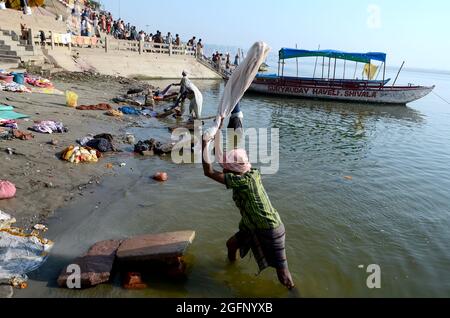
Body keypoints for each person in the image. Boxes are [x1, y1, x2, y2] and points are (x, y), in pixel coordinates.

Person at [201, 123, 295, 290]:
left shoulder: (242, 182)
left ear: (233, 172)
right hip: (252, 225)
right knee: (231, 245)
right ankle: (231, 272)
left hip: (270, 228)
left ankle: (294, 293)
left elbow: (208, 171)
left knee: (283, 274)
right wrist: (216, 133)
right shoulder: (251, 173)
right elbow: (223, 161)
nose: (224, 170)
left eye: (226, 169)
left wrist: (203, 144)